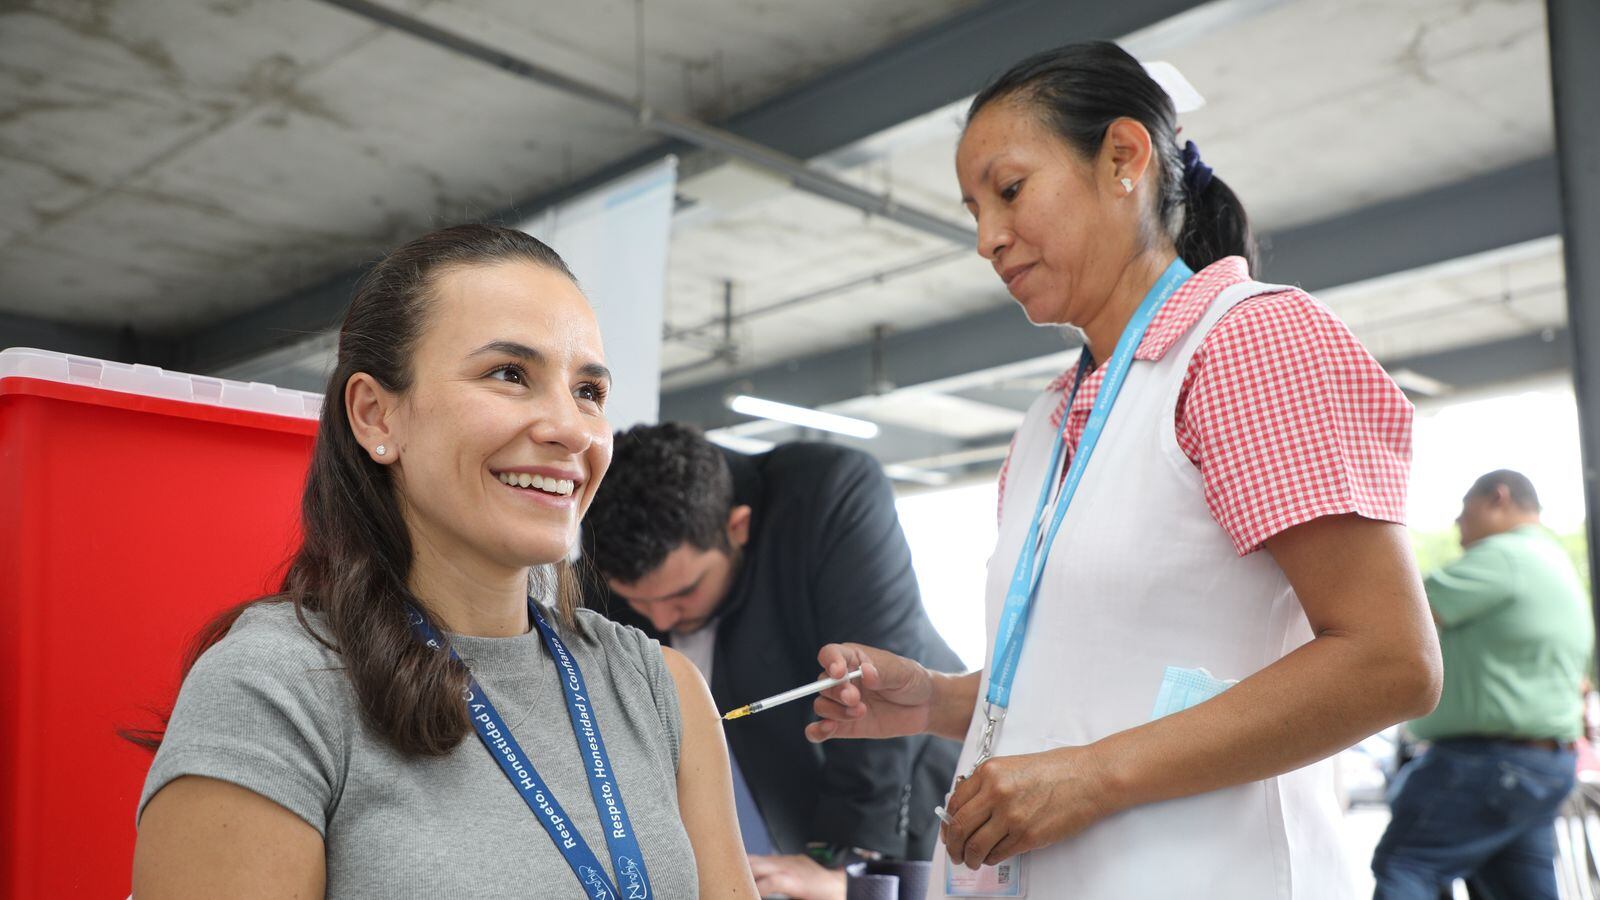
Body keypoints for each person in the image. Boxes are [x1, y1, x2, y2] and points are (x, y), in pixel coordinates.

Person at [806, 41, 1443, 899]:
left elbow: (1391, 660)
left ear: (1122, 158)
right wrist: (930, 700)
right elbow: (1098, 672)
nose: (988, 238)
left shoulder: (1245, 342)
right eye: (972, 211)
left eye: (1010, 189)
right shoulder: (1047, 422)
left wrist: (1091, 776)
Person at [130, 225, 760, 899]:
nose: (571, 428)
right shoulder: (276, 687)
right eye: (509, 374)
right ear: (376, 416)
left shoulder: (662, 691)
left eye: (589, 391)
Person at [581, 424, 963, 895]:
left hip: (906, 791)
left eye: (685, 592)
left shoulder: (831, 493)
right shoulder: (602, 542)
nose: (662, 619)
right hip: (766, 813)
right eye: (637, 602)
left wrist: (843, 863)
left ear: (737, 526)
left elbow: (874, 690)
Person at [1372, 470, 1593, 899]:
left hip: (1488, 764)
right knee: (1517, 888)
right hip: (1544, 765)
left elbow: (1397, 607)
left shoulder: (1506, 556)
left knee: (1406, 864)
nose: (1457, 523)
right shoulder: (1553, 563)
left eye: (1464, 509)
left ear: (1499, 498)